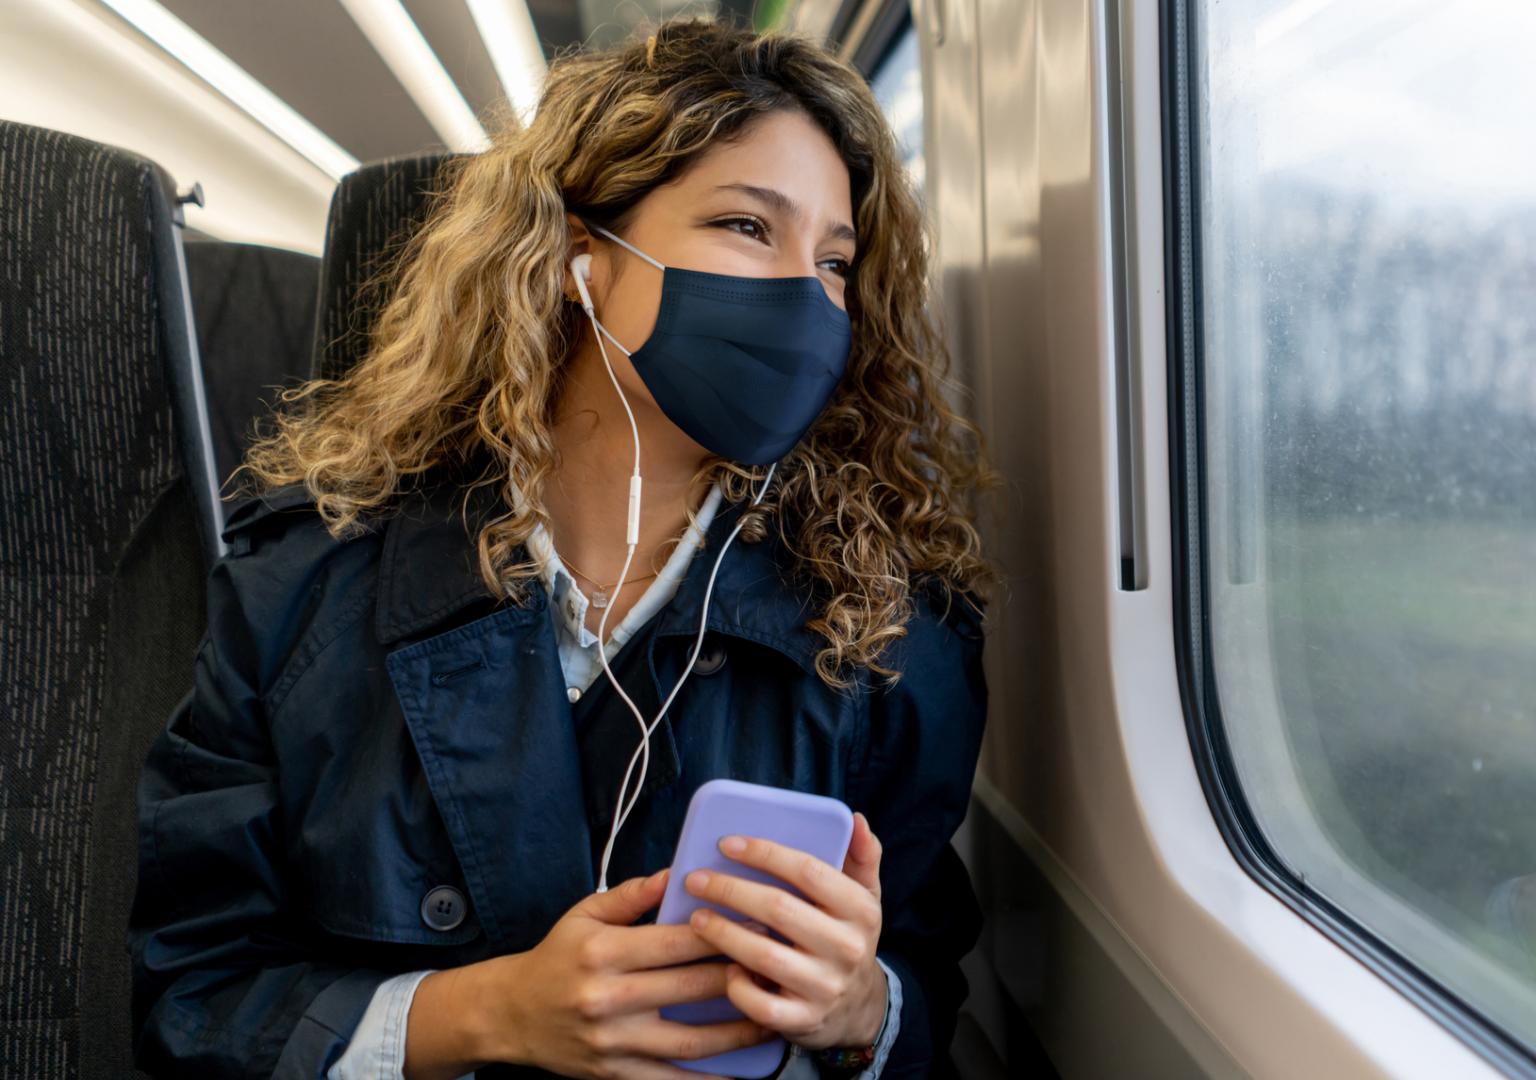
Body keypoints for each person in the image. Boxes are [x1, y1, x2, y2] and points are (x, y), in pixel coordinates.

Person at [128, 19, 994, 1080]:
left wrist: (861, 1007)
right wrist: (484, 1016)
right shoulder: (299, 592)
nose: (801, 300)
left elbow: (923, 974)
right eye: (744, 227)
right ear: (580, 257)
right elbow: (193, 996)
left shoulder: (889, 627)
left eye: (831, 262)